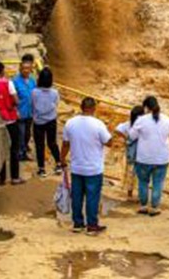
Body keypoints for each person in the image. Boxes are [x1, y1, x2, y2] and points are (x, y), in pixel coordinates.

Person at [61, 97, 112, 235]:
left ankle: (77, 223)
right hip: (93, 167)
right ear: (93, 108)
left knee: (77, 195)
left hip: (77, 166)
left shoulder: (70, 123)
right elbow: (109, 142)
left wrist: (62, 159)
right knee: (92, 197)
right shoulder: (98, 124)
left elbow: (65, 144)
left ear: (81, 107)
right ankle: (92, 225)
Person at [130, 96, 169, 216]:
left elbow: (132, 136)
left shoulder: (141, 120)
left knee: (143, 182)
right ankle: (155, 206)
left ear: (146, 107)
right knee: (158, 182)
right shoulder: (167, 119)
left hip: (144, 157)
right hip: (162, 157)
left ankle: (143, 205)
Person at [31, 66, 62, 178]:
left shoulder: (34, 92)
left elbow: (33, 104)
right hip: (51, 121)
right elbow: (56, 104)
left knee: (40, 145)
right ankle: (58, 164)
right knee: (52, 143)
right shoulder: (54, 92)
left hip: (38, 122)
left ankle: (42, 169)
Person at [115, 105, 144, 199]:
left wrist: (125, 137)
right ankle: (139, 195)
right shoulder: (141, 125)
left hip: (131, 153)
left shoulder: (129, 124)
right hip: (141, 153)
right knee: (139, 174)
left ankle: (130, 193)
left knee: (130, 173)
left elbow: (117, 129)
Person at [12, 54, 37, 162]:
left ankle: (24, 149)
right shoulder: (15, 81)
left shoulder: (32, 81)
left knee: (27, 134)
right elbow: (12, 97)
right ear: (20, 69)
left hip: (30, 112)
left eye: (28, 68)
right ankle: (21, 153)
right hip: (20, 112)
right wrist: (15, 110)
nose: (26, 70)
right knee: (21, 134)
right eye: (24, 68)